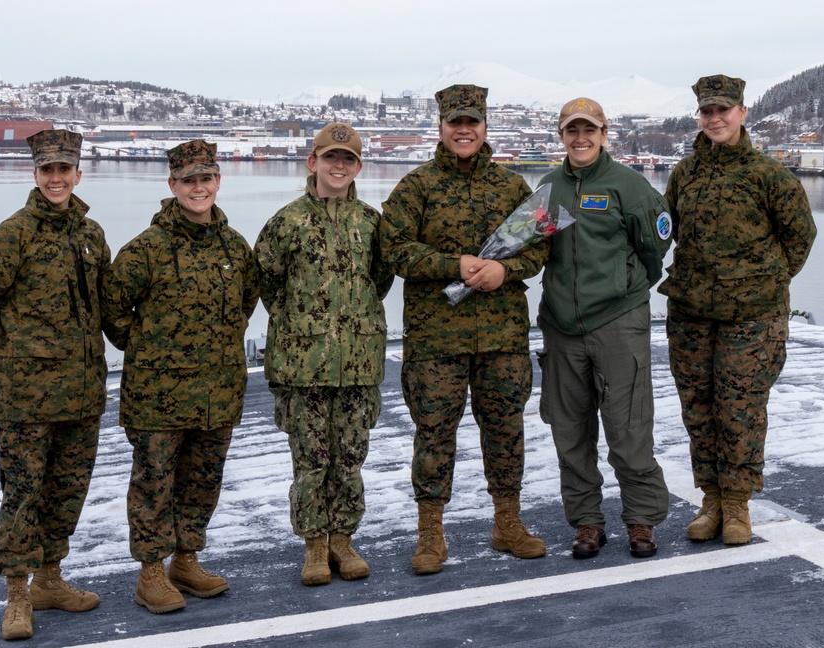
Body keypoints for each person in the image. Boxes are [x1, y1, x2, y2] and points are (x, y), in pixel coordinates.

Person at [380, 84, 546, 576]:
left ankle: (507, 523)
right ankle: (431, 534)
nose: (464, 130)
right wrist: (453, 263)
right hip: (437, 338)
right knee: (433, 435)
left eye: (472, 122)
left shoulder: (513, 187)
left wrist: (505, 272)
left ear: (485, 127)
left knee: (506, 431)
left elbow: (541, 246)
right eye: (456, 122)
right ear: (441, 127)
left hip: (502, 338)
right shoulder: (416, 188)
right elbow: (394, 250)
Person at [0, 129, 107, 641]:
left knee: (66, 493)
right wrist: (15, 350)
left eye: (65, 170)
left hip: (82, 395)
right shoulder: (9, 237)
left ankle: (51, 580)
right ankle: (18, 597)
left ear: (78, 174)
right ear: (35, 174)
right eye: (48, 170)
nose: (57, 179)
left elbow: (100, 308)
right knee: (22, 497)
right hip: (26, 401)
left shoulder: (91, 236)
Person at [660, 75, 817, 545]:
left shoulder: (770, 176)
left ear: (742, 113)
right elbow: (667, 229)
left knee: (741, 409)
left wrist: (766, 281)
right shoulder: (684, 173)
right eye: (707, 112)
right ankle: (711, 499)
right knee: (699, 407)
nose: (715, 119)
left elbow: (800, 237)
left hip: (753, 316)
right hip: (691, 312)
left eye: (723, 110)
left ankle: (737, 506)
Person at [104, 140, 259, 613]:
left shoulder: (234, 246)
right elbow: (112, 309)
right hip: (158, 396)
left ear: (217, 181)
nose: (198, 187)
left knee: (203, 479)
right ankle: (150, 570)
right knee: (154, 482)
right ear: (172, 185)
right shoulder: (146, 249)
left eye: (205, 178)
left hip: (218, 390)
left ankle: (186, 559)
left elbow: (247, 301)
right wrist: (151, 346)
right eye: (188, 180)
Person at [255, 123, 393, 586]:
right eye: (330, 157)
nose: (339, 166)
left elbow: (381, 279)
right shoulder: (286, 222)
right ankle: (315, 545)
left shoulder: (372, 223)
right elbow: (268, 286)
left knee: (350, 457)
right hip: (303, 367)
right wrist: (308, 328)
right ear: (312, 162)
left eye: (348, 159)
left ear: (357, 167)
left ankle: (343, 540)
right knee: (311, 460)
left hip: (358, 364)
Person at [535, 98, 671, 560]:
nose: (580, 138)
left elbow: (655, 246)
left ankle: (641, 520)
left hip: (617, 323)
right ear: (561, 135)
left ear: (604, 133)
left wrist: (627, 287)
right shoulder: (549, 186)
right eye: (571, 130)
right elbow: (533, 245)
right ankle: (587, 523)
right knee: (570, 432)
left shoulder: (627, 185)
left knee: (628, 427)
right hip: (561, 327)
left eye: (588, 130)